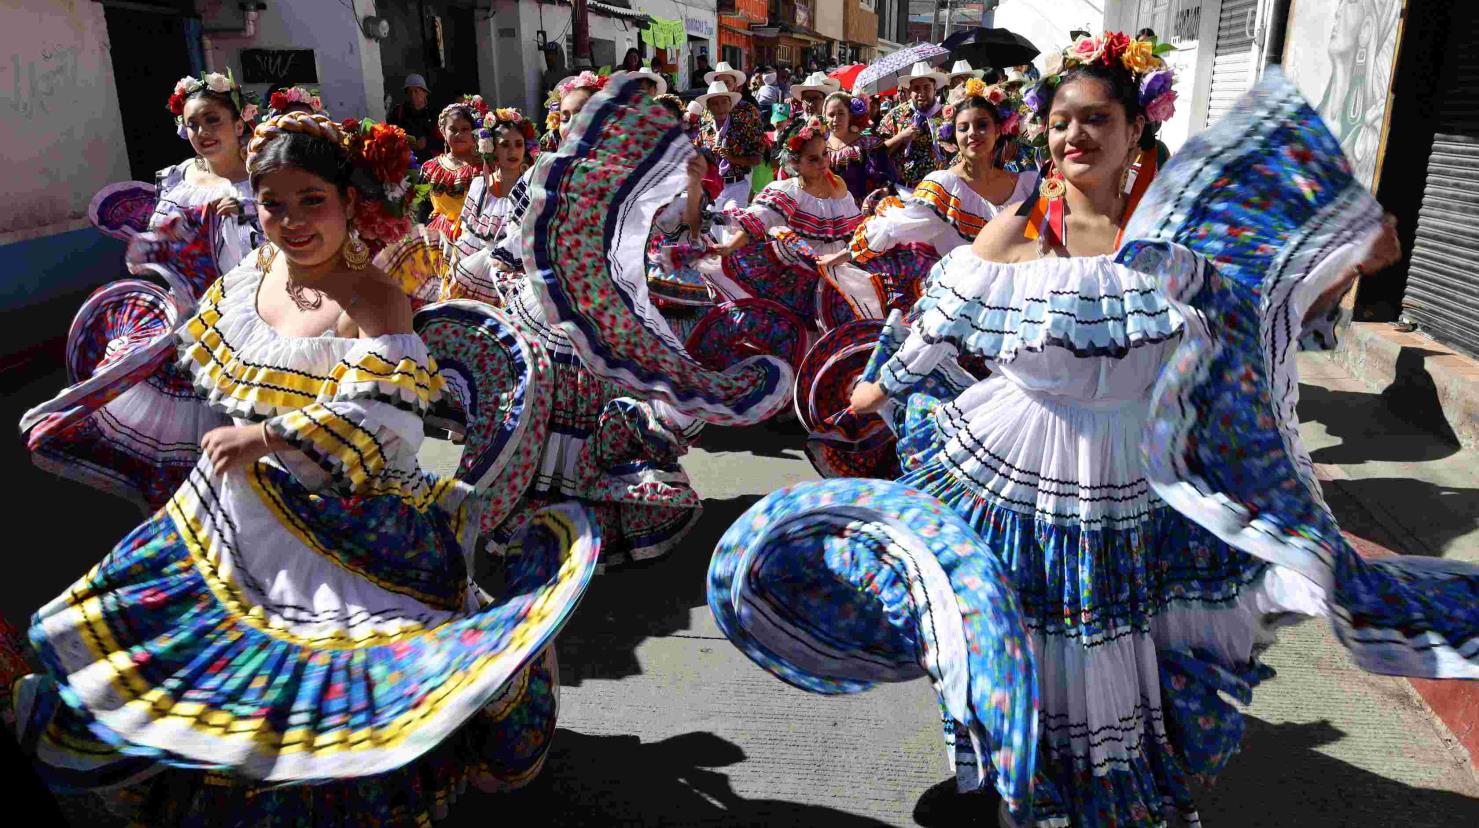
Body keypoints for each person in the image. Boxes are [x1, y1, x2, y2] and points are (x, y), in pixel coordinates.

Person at [13, 111, 596, 825]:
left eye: (310, 200)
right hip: (246, 507)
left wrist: (265, 439)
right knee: (203, 660)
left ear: (349, 203)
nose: (291, 220)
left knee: (326, 684)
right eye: (273, 203)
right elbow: (207, 381)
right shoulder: (247, 281)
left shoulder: (371, 297)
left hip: (358, 515)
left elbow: (390, 419)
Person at [21, 72, 264, 512]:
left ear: (239, 122)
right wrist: (152, 247)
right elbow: (150, 247)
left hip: (244, 327)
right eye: (193, 124)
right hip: (180, 326)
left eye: (213, 120)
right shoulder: (178, 179)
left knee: (246, 441)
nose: (203, 133)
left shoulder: (264, 179)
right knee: (177, 449)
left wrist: (250, 212)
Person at [823, 79, 1033, 312]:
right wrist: (839, 257)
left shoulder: (1027, 185)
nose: (973, 133)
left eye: (982, 125)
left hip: (1020, 298)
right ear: (954, 135)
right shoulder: (945, 185)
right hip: (963, 305)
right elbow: (895, 225)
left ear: (999, 129)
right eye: (963, 128)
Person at [702, 121, 862, 324]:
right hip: (803, 272)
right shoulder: (791, 191)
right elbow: (760, 220)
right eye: (812, 159)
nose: (822, 162)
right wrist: (728, 247)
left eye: (824, 154)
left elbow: (855, 230)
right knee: (807, 327)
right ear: (796, 164)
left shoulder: (838, 186)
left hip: (838, 267)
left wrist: (845, 255)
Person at [441, 106, 537, 292]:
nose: (513, 151)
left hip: (521, 275)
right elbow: (469, 239)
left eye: (518, 144)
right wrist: (456, 264)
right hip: (481, 273)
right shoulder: (480, 186)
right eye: (505, 144)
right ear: (491, 148)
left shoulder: (532, 186)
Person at [419, 96, 488, 255]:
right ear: (443, 132)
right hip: (438, 241)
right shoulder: (430, 167)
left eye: (465, 129)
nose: (459, 134)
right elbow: (421, 210)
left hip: (473, 239)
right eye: (453, 129)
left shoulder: (484, 167)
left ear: (475, 132)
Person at [698, 64, 765, 210]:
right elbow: (698, 145)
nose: (720, 106)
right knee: (712, 230)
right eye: (715, 103)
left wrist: (732, 158)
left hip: (738, 181)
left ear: (735, 85)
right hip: (711, 183)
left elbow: (757, 154)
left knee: (732, 225)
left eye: (727, 83)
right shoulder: (706, 115)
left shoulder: (749, 111)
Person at [878, 61, 949, 195]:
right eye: (916, 88)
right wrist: (901, 137)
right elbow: (878, 153)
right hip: (903, 190)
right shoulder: (895, 116)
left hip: (940, 192)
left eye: (926, 87)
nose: (921, 92)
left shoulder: (947, 115)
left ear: (935, 88)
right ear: (909, 91)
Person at [819, 91, 898, 204]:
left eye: (841, 113)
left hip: (859, 209)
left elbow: (883, 178)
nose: (836, 119)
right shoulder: (819, 145)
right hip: (825, 208)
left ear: (850, 115)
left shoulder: (867, 144)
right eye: (831, 115)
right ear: (824, 117)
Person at [389, 73, 441, 157]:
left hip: (430, 162)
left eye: (416, 91)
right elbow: (390, 136)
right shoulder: (399, 112)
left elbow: (444, 140)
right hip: (406, 161)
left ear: (425, 93)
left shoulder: (435, 113)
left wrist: (427, 141)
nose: (413, 95)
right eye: (410, 92)